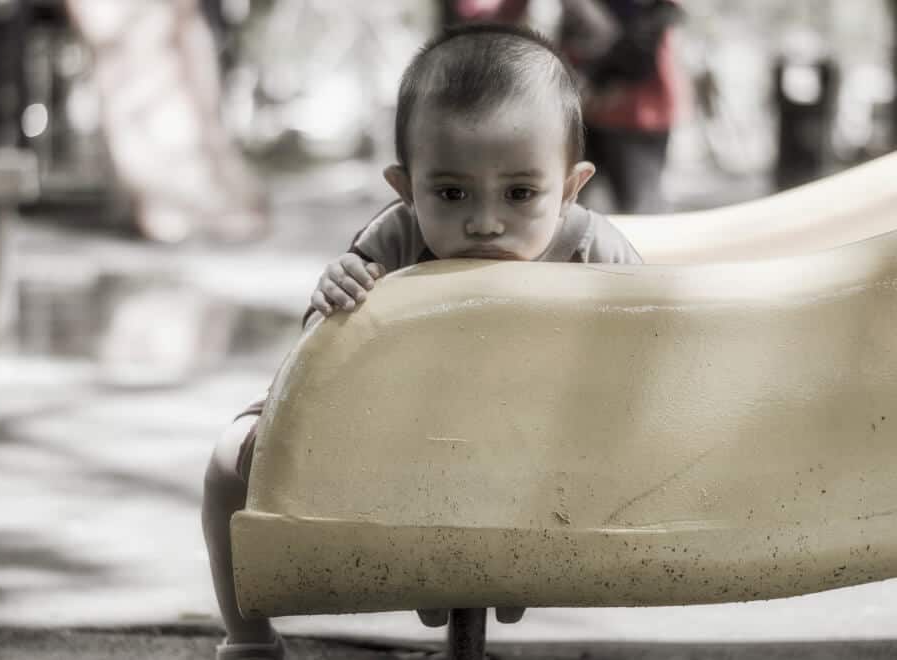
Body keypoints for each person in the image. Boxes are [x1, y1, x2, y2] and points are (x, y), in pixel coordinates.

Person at [201, 22, 642, 660]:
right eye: (451, 192)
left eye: (521, 193)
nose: (486, 221)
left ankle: (494, 570)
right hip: (390, 442)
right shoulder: (394, 240)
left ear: (570, 186)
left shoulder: (593, 248)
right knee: (226, 461)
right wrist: (336, 296)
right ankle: (248, 640)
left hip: (539, 456)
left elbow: (655, 343)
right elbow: (322, 361)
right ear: (406, 189)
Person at [559, 0, 687, 213]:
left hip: (638, 112)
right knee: (570, 206)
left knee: (641, 210)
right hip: (584, 108)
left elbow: (651, 27)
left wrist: (605, 80)